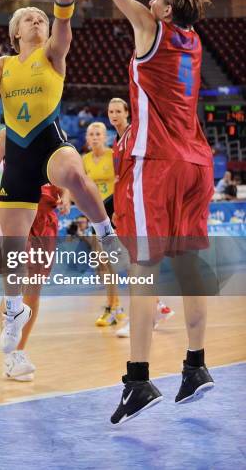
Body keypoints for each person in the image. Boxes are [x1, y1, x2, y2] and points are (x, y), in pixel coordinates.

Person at [60, 0, 214, 424]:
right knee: (189, 265)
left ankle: (139, 379)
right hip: (199, 164)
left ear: (164, 9)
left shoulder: (150, 29)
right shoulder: (192, 37)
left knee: (143, 271)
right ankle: (195, 366)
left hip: (158, 164)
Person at [0, 0, 116, 357]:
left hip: (49, 144)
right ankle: (14, 310)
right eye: (29, 19)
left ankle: (105, 231)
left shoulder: (54, 55)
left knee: (73, 170)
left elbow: (64, 19)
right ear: (15, 32)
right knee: (11, 248)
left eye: (41, 18)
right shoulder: (5, 67)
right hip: (17, 157)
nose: (37, 21)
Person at [0, 128, 71, 380]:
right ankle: (10, 357)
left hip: (46, 217)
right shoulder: (5, 135)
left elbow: (66, 176)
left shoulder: (57, 132)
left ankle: (20, 352)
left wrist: (66, 195)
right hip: (16, 211)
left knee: (34, 288)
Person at [107, 98, 174, 338]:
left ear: (128, 113)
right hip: (124, 207)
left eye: (118, 111)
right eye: (110, 111)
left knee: (137, 265)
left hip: (139, 205)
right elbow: (120, 178)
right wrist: (116, 207)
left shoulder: (135, 134)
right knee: (133, 264)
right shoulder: (117, 141)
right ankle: (157, 307)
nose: (114, 115)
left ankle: (140, 318)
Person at [82, 121, 125, 327]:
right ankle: (113, 306)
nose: (95, 137)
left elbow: (123, 182)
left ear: (105, 137)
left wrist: (119, 209)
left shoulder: (113, 155)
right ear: (87, 139)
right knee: (104, 263)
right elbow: (80, 188)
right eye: (91, 134)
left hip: (116, 212)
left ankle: (152, 304)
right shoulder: (85, 160)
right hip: (96, 215)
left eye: (98, 133)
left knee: (125, 262)